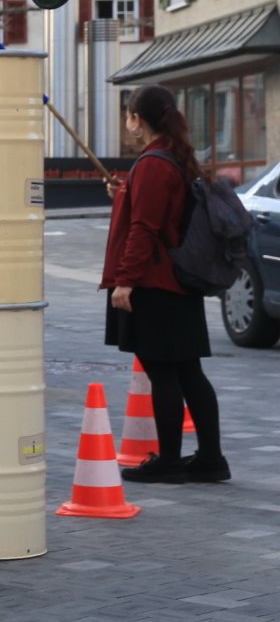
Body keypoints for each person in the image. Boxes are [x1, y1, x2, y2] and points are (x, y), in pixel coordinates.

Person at [102, 84, 228, 484]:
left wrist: (125, 281)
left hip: (156, 283)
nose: (127, 122)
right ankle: (210, 459)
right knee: (188, 370)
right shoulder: (172, 157)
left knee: (164, 373)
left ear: (137, 120)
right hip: (178, 281)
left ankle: (170, 461)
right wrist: (124, 193)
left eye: (128, 115)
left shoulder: (153, 164)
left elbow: (145, 228)